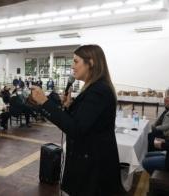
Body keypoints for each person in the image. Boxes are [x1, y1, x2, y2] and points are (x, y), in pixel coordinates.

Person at [31, 45, 121, 195]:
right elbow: (82, 121)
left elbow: (76, 129)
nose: (72, 66)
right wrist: (67, 106)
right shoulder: (93, 88)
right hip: (88, 161)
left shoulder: (98, 91)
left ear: (90, 63)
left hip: (94, 167)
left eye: (76, 61)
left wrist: (44, 102)